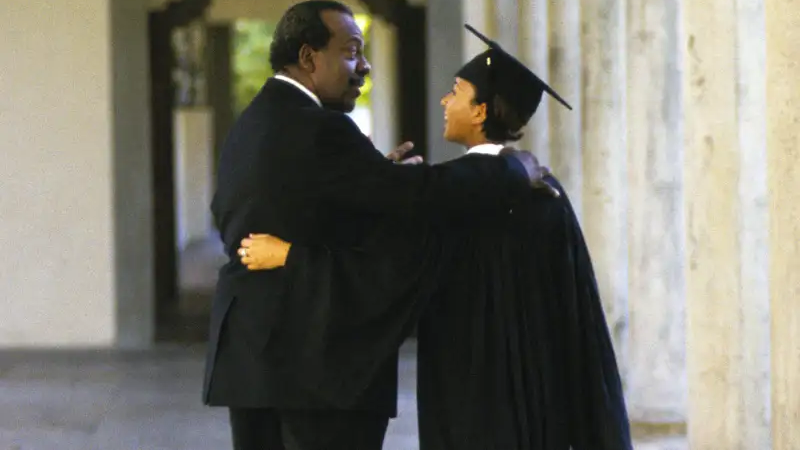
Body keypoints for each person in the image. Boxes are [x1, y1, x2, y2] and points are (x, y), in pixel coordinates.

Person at [238, 24, 632, 450]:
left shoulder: (452, 197)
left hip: (467, 378)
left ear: (481, 111)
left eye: (457, 91)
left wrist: (292, 256)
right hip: (538, 381)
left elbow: (387, 272)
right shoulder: (545, 193)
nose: (445, 100)